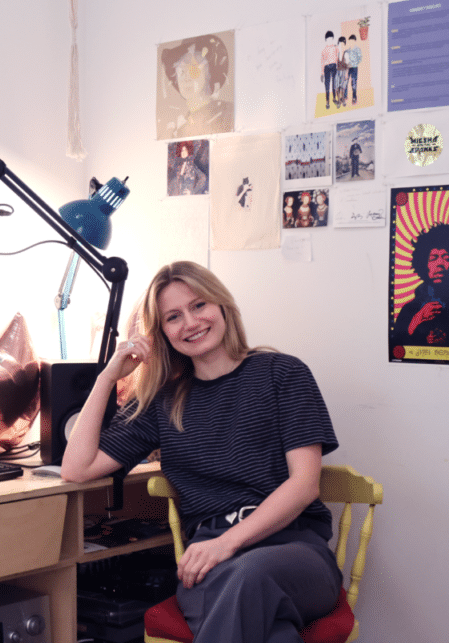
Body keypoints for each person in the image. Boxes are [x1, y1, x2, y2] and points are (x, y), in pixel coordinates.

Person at [61, 261, 341, 643]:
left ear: (222, 305)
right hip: (208, 565)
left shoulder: (282, 374)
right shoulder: (163, 401)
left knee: (250, 575)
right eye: (173, 317)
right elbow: (76, 468)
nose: (190, 323)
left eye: (199, 306)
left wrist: (226, 544)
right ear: (162, 333)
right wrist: (108, 376)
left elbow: (305, 484)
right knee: (274, 634)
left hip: (293, 551)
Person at [160, 34, 234, 139]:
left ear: (208, 72)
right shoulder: (179, 132)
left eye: (193, 68)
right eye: (181, 70)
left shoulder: (228, 113)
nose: (186, 78)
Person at [320, 30, 338, 110]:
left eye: (331, 39)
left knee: (334, 84)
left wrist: (337, 66)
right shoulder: (323, 50)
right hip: (326, 67)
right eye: (328, 39)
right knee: (327, 85)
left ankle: (334, 99)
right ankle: (327, 102)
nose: (329, 41)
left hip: (334, 66)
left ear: (333, 39)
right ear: (326, 40)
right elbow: (322, 62)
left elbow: (337, 57)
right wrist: (322, 73)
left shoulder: (335, 48)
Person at [344, 35, 362, 105]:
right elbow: (345, 60)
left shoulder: (357, 49)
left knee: (354, 83)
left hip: (354, 67)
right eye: (350, 41)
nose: (351, 42)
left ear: (355, 41)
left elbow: (360, 58)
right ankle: (345, 96)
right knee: (345, 81)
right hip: (348, 68)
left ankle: (354, 97)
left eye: (352, 41)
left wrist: (355, 63)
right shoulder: (347, 50)